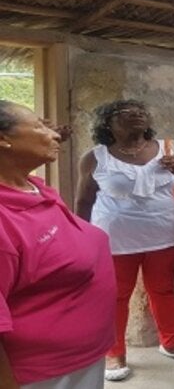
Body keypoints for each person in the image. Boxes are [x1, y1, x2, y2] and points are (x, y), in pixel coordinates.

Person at [75, 99, 174, 381]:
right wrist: (80, 237)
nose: (136, 115)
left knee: (163, 289)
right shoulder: (96, 157)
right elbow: (84, 199)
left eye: (140, 112)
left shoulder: (171, 148)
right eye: (124, 113)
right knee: (116, 296)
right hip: (115, 239)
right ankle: (114, 353)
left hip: (165, 236)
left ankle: (170, 342)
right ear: (107, 124)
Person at [0, 100, 117, 389]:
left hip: (81, 357)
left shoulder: (36, 188)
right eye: (39, 126)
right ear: (3, 140)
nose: (54, 134)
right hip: (41, 372)